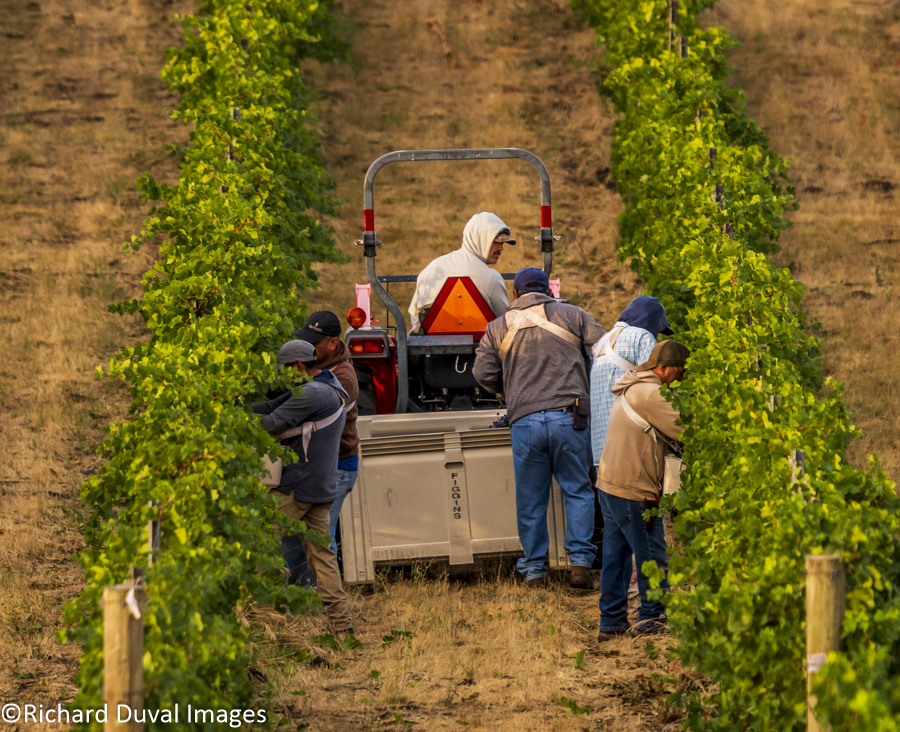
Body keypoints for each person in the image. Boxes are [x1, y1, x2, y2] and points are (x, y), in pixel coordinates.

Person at [473, 267, 606, 589]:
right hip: (570, 418)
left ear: (516, 294)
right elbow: (602, 350)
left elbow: (482, 373)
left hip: (526, 422)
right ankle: (580, 565)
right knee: (577, 491)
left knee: (531, 499)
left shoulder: (497, 327)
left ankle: (535, 571)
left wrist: (509, 390)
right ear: (549, 291)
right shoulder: (575, 315)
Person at [252, 339, 353, 634]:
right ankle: (342, 628)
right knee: (323, 559)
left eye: (284, 372)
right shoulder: (330, 385)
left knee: (254, 547)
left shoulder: (313, 393)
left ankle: (250, 621)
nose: (281, 379)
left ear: (297, 366)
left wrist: (227, 419)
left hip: (295, 489)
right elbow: (274, 404)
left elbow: (270, 422)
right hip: (319, 489)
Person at [595, 340, 689, 642]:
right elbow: (690, 429)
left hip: (610, 484)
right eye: (677, 373)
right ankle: (652, 617)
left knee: (616, 556)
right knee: (652, 553)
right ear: (661, 369)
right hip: (635, 489)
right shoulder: (652, 395)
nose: (678, 380)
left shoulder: (632, 387)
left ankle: (611, 621)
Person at [587, 295, 673, 571]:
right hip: (630, 454)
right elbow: (657, 383)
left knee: (618, 546)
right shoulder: (641, 338)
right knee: (644, 545)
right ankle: (648, 606)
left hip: (602, 457)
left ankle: (616, 609)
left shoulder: (602, 343)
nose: (656, 335)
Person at [282, 311, 361, 587]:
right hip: (317, 466)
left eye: (314, 344)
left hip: (337, 466)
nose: (308, 349)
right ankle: (300, 591)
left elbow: (307, 411)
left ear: (332, 343)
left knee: (320, 537)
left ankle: (319, 596)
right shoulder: (315, 368)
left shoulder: (343, 377)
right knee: (295, 533)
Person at [407, 211, 515, 332]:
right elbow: (505, 325)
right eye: (497, 242)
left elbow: (415, 319)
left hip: (429, 348)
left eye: (503, 243)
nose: (501, 248)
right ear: (480, 238)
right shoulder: (492, 278)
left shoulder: (432, 268)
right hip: (477, 349)